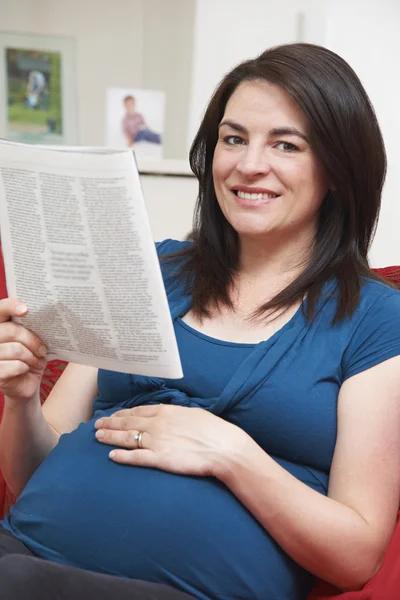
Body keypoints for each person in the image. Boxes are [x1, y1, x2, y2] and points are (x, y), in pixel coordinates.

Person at [0, 42, 400, 600]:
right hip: (23, 554)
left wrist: (229, 454)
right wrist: (20, 397)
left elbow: (357, 554)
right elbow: (32, 476)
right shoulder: (151, 268)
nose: (248, 163)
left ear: (337, 168)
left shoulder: (375, 318)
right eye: (233, 139)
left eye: (285, 144)